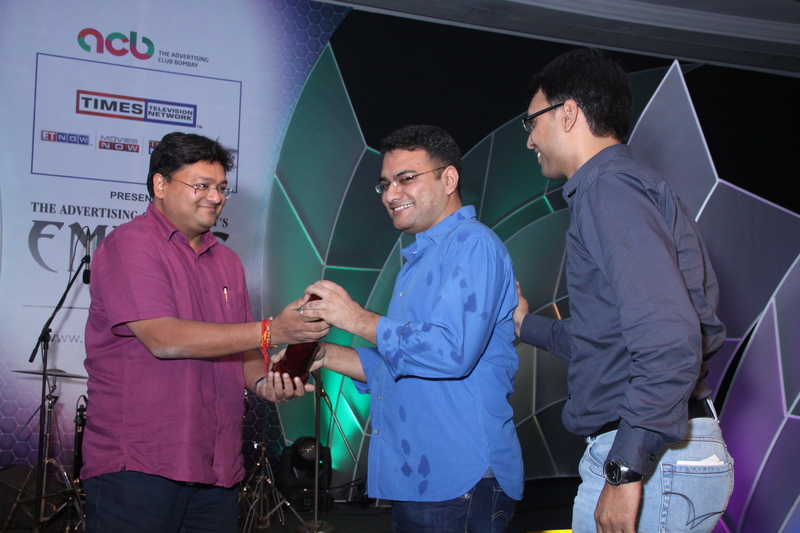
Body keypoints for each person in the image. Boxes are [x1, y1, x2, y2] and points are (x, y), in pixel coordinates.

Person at [514, 48, 734, 533]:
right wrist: (524, 326)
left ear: (568, 113)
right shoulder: (622, 188)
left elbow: (668, 338)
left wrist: (625, 469)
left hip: (649, 459)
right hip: (663, 453)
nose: (529, 139)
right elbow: (607, 339)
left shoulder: (608, 190)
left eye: (532, 122)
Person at [81, 132, 328, 533]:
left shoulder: (227, 261)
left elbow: (245, 349)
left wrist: (266, 383)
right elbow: (164, 339)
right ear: (160, 184)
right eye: (202, 185)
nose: (215, 197)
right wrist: (272, 329)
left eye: (221, 188)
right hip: (141, 465)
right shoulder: (130, 245)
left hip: (217, 466)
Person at [296, 125, 523, 533]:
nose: (390, 194)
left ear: (448, 179)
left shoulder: (472, 244)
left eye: (405, 178)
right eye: (385, 184)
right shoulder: (418, 260)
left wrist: (356, 318)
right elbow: (401, 366)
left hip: (458, 476)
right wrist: (324, 353)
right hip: (422, 478)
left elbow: (450, 352)